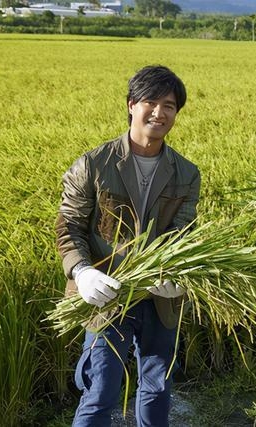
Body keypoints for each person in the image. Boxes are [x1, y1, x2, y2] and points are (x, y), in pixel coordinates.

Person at [55, 65, 201, 426]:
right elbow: (68, 224)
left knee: (156, 387)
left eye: (169, 105)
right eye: (150, 101)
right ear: (131, 104)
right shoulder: (94, 164)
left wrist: (177, 273)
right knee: (101, 389)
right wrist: (82, 271)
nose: (159, 112)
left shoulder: (186, 172)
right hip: (107, 293)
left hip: (159, 298)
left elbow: (182, 232)